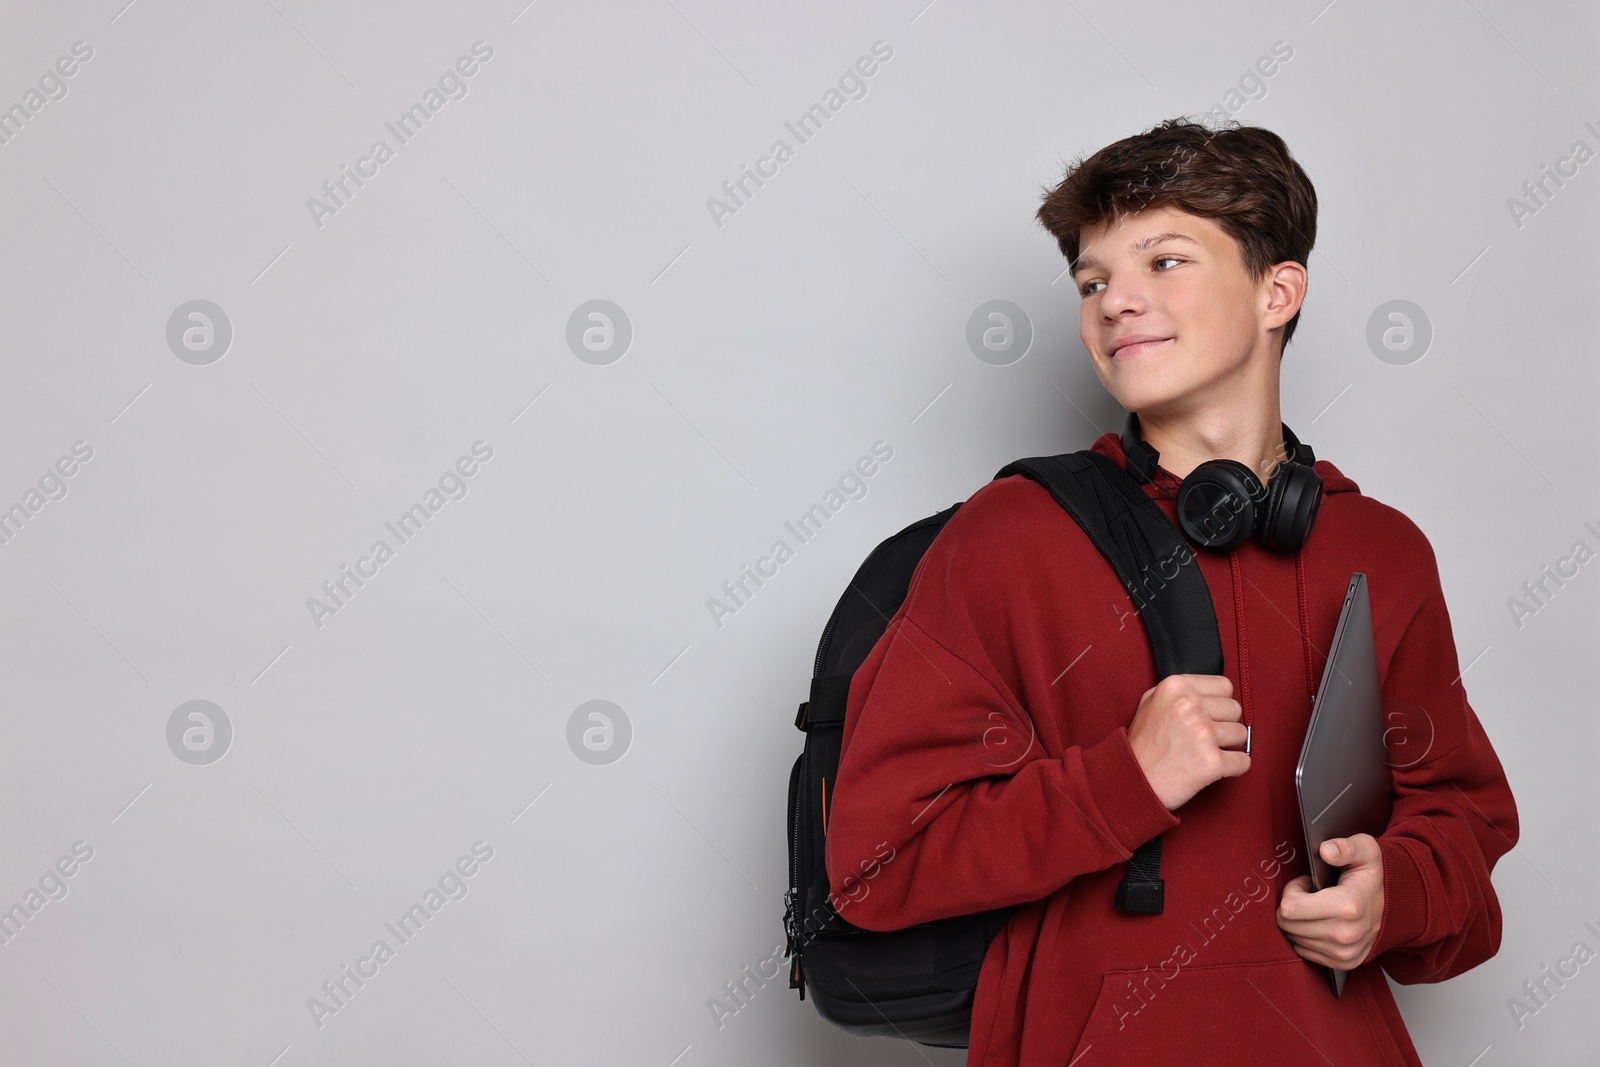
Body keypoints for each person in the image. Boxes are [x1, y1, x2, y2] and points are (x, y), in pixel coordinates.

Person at [824, 117, 1518, 1066]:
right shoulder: (1009, 537)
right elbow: (874, 864)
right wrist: (1122, 780)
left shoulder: (1381, 551)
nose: (1116, 302)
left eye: (1165, 260)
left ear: (1279, 291)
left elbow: (1466, 833)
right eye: (1093, 281)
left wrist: (1393, 893)